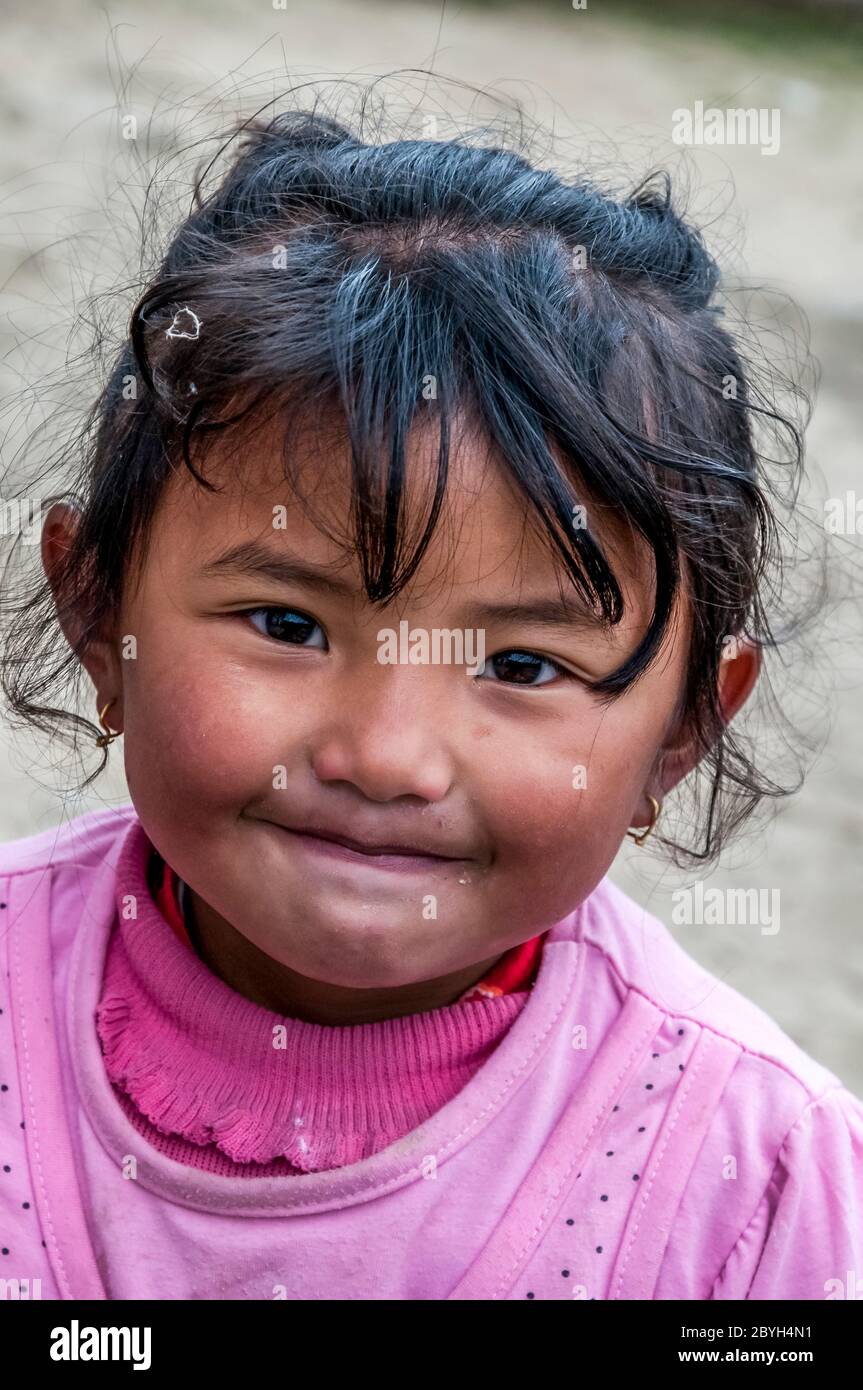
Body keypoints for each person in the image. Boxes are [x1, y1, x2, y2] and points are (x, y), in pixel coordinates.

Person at [0, 105, 860, 1301]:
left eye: (519, 666)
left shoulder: (749, 1188)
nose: (387, 756)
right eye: (288, 626)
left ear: (679, 734)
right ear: (100, 616)